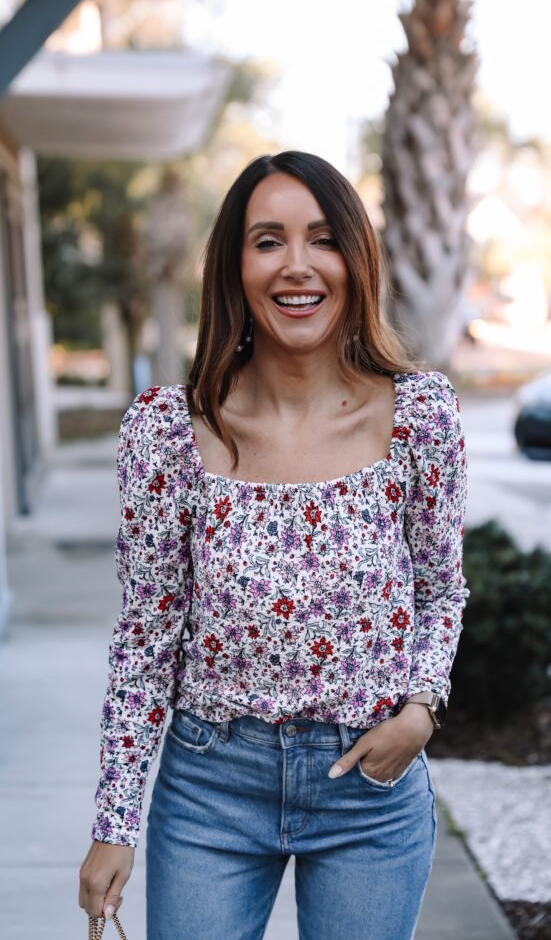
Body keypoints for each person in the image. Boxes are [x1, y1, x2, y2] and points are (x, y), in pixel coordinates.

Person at [79, 150, 470, 940]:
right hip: (210, 787)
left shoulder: (418, 418)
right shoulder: (168, 432)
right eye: (268, 241)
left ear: (355, 259)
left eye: (322, 238)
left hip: (371, 785)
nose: (297, 266)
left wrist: (422, 708)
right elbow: (147, 635)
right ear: (234, 265)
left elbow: (440, 588)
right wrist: (114, 820)